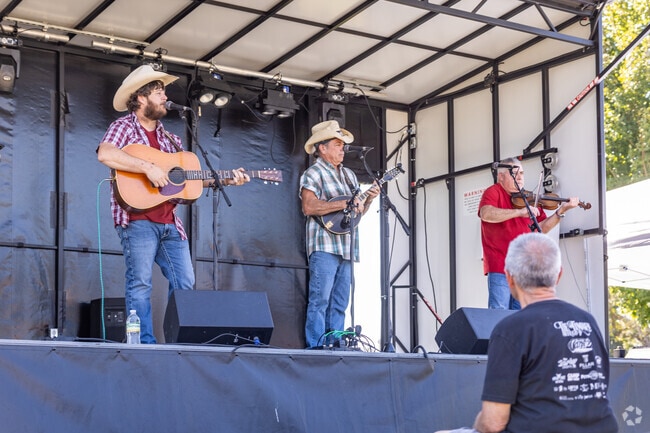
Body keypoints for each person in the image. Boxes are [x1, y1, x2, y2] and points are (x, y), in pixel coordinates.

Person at [97, 65, 250, 344]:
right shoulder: (123, 127)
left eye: (163, 91)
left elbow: (187, 181)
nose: (164, 96)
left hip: (170, 225)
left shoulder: (172, 140)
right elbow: (106, 153)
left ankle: (179, 343)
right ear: (140, 98)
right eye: (158, 92)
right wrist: (147, 167)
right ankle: (142, 343)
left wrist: (224, 180)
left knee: (185, 283)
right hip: (137, 220)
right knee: (140, 283)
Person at [436, 232, 618, 433]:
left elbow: (492, 423)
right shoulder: (587, 321)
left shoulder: (510, 329)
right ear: (559, 275)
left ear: (509, 278)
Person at [299, 120, 379, 348]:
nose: (342, 149)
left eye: (342, 145)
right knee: (320, 300)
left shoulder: (350, 176)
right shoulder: (313, 173)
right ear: (322, 147)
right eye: (337, 144)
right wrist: (344, 203)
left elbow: (356, 216)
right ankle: (315, 346)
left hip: (347, 247)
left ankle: (336, 346)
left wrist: (369, 198)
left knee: (340, 302)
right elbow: (309, 207)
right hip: (324, 246)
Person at [478, 157, 579, 310]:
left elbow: (542, 228)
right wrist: (518, 212)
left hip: (524, 269)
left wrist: (561, 211)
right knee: (498, 314)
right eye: (514, 173)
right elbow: (486, 214)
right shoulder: (493, 192)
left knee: (522, 314)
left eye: (522, 173)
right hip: (500, 266)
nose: (519, 177)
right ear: (501, 177)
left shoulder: (527, 198)